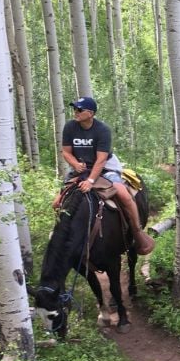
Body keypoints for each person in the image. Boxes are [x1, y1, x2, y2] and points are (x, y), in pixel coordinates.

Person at [58, 97, 152, 255]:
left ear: (91, 113)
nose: (76, 112)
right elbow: (66, 152)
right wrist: (74, 164)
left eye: (79, 110)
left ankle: (137, 233)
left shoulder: (102, 130)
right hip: (81, 168)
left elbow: (101, 160)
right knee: (57, 202)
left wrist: (90, 181)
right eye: (75, 109)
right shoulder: (70, 127)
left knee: (123, 193)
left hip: (105, 167)